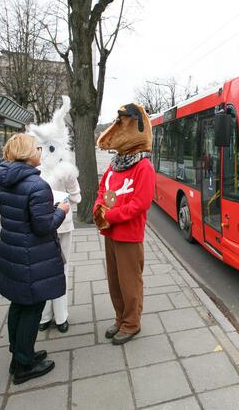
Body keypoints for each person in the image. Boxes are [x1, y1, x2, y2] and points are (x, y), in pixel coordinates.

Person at [0, 133, 70, 385]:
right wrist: (61, 211)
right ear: (27, 154)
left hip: (13, 252)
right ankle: (24, 366)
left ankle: (19, 354)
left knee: (18, 305)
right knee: (31, 310)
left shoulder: (4, 180)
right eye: (37, 148)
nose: (41, 152)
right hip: (32, 257)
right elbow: (43, 226)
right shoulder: (36, 186)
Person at [94, 103, 155, 345]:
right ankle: (120, 318)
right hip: (110, 233)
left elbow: (140, 204)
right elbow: (102, 189)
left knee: (130, 282)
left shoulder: (144, 167)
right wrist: (98, 208)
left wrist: (110, 216)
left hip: (128, 235)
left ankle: (132, 323)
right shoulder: (115, 163)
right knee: (114, 280)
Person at [27, 96, 82, 334]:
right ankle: (53, 316)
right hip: (52, 225)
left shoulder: (44, 171)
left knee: (52, 269)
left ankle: (52, 316)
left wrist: (62, 198)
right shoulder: (47, 170)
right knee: (53, 269)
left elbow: (76, 196)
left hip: (51, 226)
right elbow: (77, 197)